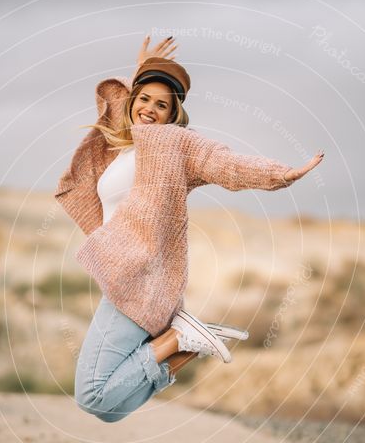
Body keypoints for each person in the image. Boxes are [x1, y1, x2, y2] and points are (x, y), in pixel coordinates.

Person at [55, 35, 324, 422]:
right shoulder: (126, 146)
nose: (150, 109)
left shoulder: (172, 145)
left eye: (161, 104)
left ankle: (179, 338)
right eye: (144, 99)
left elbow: (224, 163)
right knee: (112, 410)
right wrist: (143, 69)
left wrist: (283, 174)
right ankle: (178, 351)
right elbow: (119, 110)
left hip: (139, 282)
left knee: (94, 397)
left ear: (172, 114)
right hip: (126, 280)